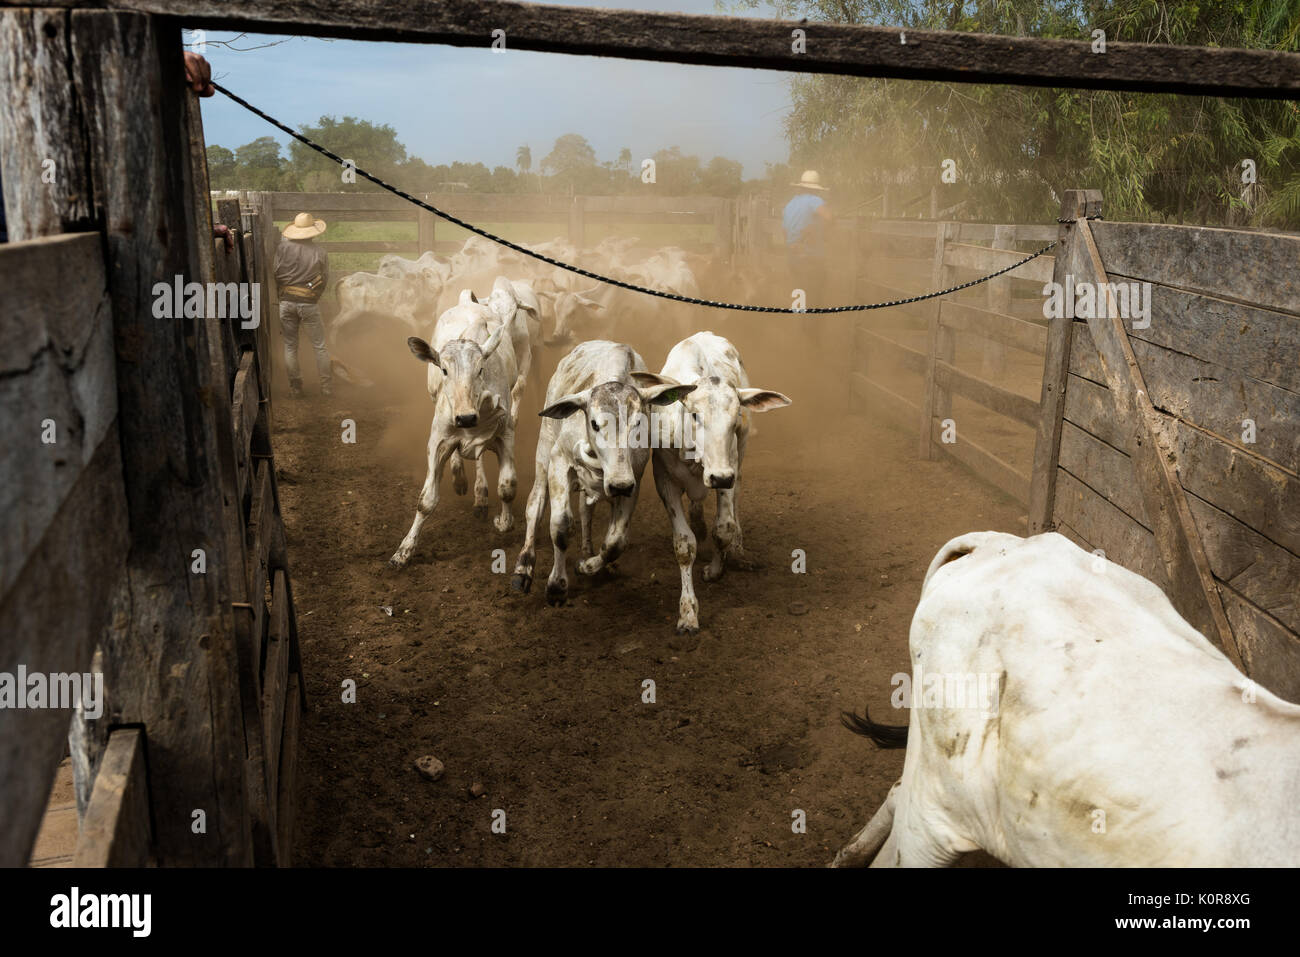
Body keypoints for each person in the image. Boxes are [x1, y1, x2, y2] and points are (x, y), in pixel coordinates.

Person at [274, 212, 333, 397]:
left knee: (291, 346)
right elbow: (324, 280)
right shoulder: (320, 252)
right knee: (320, 346)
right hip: (309, 303)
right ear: (313, 232)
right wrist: (312, 294)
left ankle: (296, 387)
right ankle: (326, 387)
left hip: (286, 302)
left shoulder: (281, 249)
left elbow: (276, 273)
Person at [782, 170, 832, 307]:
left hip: (793, 258)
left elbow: (785, 232)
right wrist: (819, 233)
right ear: (816, 190)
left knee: (798, 297)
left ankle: (797, 325)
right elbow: (829, 218)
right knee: (814, 300)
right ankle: (811, 327)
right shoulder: (814, 200)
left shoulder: (789, 204)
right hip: (810, 259)